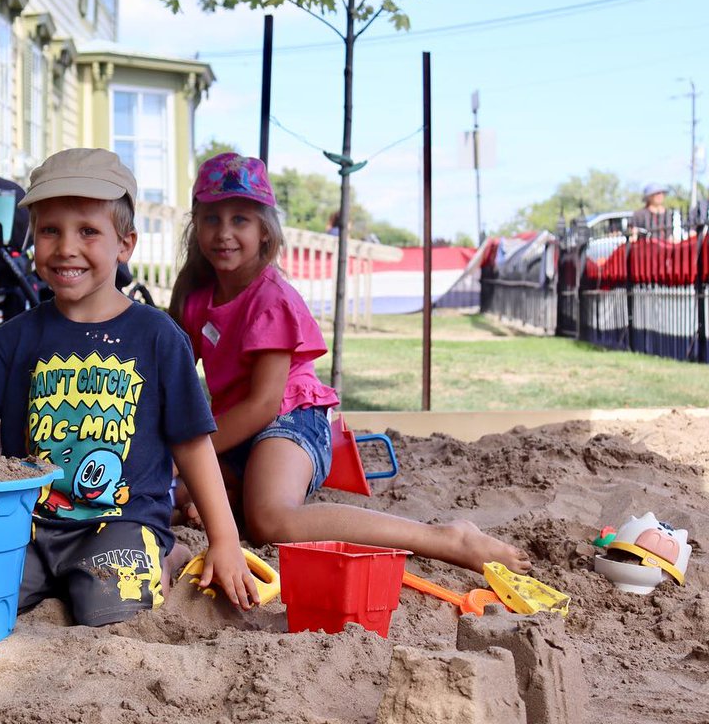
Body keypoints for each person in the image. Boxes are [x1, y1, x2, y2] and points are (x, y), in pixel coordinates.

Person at [0, 148, 260, 625]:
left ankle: (163, 553)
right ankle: (93, 568)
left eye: (88, 231)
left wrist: (225, 541)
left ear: (125, 244)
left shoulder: (157, 337)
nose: (66, 247)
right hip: (27, 525)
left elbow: (193, 444)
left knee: (111, 612)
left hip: (120, 523)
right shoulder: (17, 336)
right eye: (50, 230)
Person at [169, 152, 532, 575]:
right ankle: (235, 489)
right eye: (212, 218)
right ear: (196, 226)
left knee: (271, 521)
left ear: (265, 231)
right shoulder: (195, 297)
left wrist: (188, 452)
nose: (224, 233)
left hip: (288, 419)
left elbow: (264, 405)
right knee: (167, 492)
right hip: (232, 427)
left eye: (240, 220)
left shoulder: (271, 299)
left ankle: (446, 538)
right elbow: (173, 376)